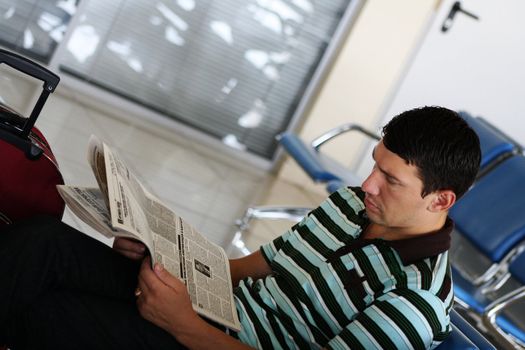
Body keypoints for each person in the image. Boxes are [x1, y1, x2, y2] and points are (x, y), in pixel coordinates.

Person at [0, 106, 481, 349]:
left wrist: (184, 324)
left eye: (390, 180)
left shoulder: (413, 301)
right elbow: (246, 269)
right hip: (209, 311)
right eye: (374, 165)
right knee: (42, 240)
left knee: (45, 312)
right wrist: (161, 251)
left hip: (209, 340)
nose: (367, 184)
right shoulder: (352, 208)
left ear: (440, 199)